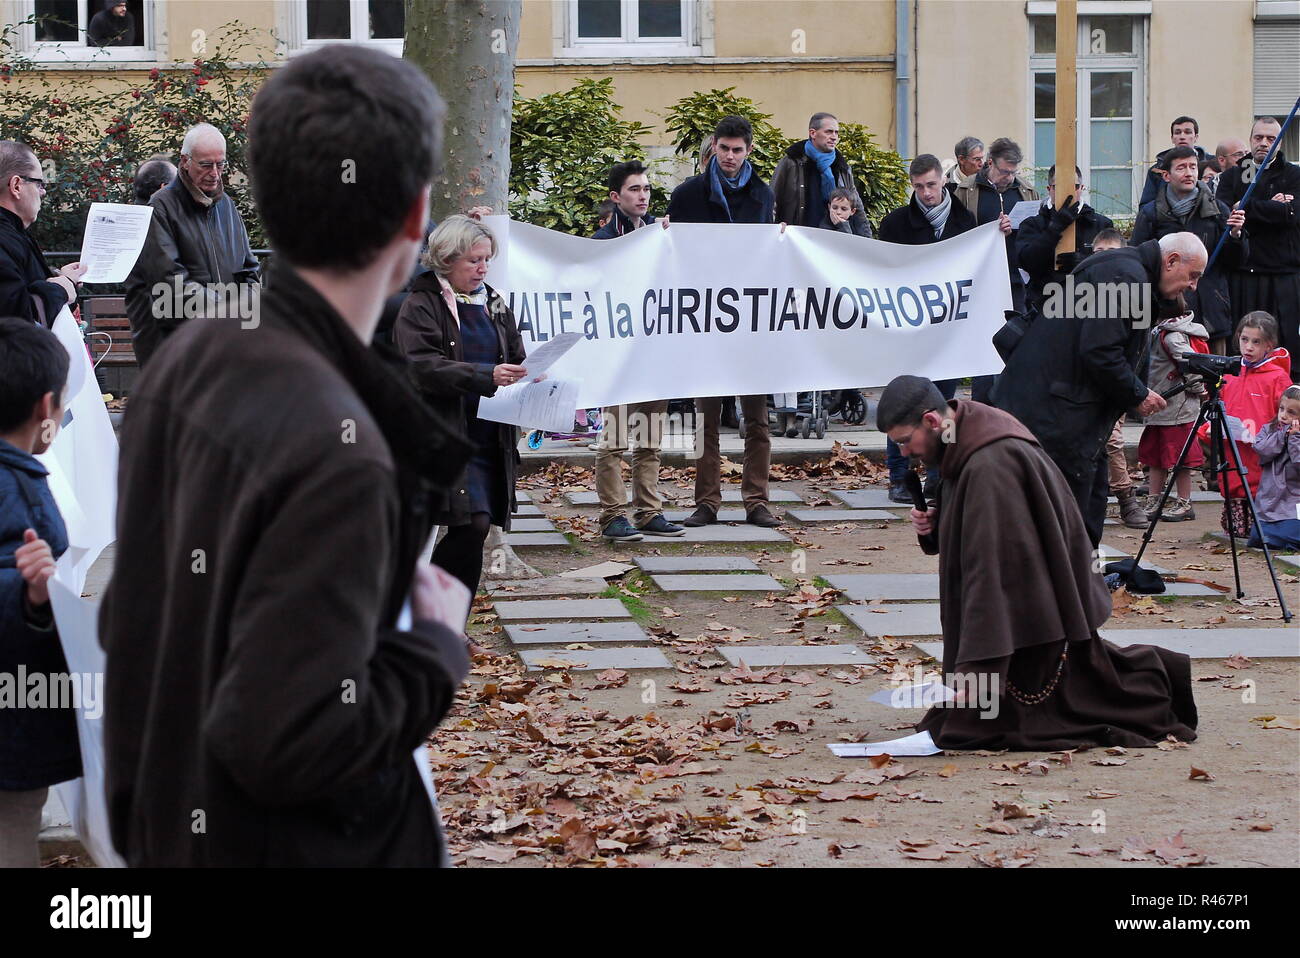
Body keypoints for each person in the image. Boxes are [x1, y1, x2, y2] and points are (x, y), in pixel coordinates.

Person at [100, 45, 474, 867]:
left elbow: (137, 626)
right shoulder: (339, 452)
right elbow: (287, 738)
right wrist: (435, 648)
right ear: (417, 218)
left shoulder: (186, 371)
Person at [879, 375, 1197, 751]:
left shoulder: (988, 464)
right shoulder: (964, 428)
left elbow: (987, 573)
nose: (903, 453)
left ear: (932, 421)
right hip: (1035, 593)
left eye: (904, 441)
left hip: (1032, 601)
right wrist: (937, 521)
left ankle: (1157, 678)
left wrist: (977, 675)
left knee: (1052, 705)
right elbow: (970, 521)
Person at [994, 232, 1207, 546]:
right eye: (1193, 276)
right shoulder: (1128, 278)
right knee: (1064, 513)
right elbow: (1100, 351)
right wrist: (1138, 393)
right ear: (1171, 261)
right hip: (1057, 412)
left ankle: (1079, 583)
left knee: (1087, 503)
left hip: (1059, 404)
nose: (1193, 286)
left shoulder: (1122, 268)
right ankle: (1062, 584)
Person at [394, 215, 533, 590]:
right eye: (474, 260)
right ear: (446, 258)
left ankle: (449, 625)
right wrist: (485, 375)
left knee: (478, 526)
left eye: (487, 259)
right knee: (465, 524)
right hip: (442, 435)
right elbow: (422, 366)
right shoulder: (421, 304)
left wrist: (533, 374)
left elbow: (516, 352)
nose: (483, 268)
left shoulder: (495, 302)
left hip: (491, 435)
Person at [667, 115, 780, 528]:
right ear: (713, 146)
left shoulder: (763, 195)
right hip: (705, 321)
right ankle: (707, 501)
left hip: (750, 322)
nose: (730, 156)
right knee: (706, 419)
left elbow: (767, 255)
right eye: (724, 148)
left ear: (748, 151)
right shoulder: (687, 195)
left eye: (738, 150)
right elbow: (674, 256)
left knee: (758, 419)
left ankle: (756, 499)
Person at [0, 317, 81, 869]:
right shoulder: (18, 491)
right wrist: (29, 598)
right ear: (46, 408)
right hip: (12, 727)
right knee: (13, 829)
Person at [590, 161, 683, 541]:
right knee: (612, 440)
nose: (642, 195)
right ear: (616, 197)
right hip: (617, 359)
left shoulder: (663, 237)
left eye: (645, 189)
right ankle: (612, 515)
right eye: (634, 189)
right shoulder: (601, 242)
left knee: (650, 441)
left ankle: (649, 511)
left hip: (653, 354)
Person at [877, 153, 975, 501]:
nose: (926, 193)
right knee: (899, 402)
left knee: (943, 402)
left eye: (931, 185)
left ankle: (940, 474)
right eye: (919, 187)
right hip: (908, 328)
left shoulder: (967, 222)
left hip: (948, 329)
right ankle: (899, 477)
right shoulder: (896, 224)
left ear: (943, 181)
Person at [124, 122, 261, 367]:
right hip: (177, 348)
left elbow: (250, 270)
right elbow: (171, 287)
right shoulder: (160, 207)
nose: (215, 173)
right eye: (206, 165)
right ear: (185, 161)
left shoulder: (227, 206)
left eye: (221, 164)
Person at [1131, 145, 1246, 355]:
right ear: (1166, 175)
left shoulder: (1217, 209)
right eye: (1181, 167)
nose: (1189, 173)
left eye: (1193, 167)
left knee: (1214, 379)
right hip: (1166, 313)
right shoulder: (1150, 214)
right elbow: (1139, 261)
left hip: (1211, 310)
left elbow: (1235, 262)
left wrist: (1235, 235)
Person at [955, 137, 1038, 403]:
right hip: (981, 281)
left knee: (1019, 342)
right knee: (985, 344)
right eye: (1004, 171)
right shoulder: (965, 190)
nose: (1008, 177)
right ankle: (982, 407)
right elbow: (958, 233)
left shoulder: (1025, 191)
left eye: (1013, 172)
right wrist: (991, 229)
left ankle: (1014, 405)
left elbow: (1035, 232)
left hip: (1017, 280)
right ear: (990, 163)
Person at [1217, 117, 1300, 373]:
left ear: (1280, 141)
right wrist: (1275, 208)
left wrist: (1249, 207)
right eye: (1258, 137)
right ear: (1250, 139)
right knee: (1247, 348)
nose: (1263, 143)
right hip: (1246, 274)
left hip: (1286, 274)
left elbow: (1293, 215)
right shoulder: (1235, 175)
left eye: (1270, 138)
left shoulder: (1294, 175)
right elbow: (1224, 214)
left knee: (1287, 349)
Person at [1201, 311, 1292, 537]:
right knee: (1233, 493)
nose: (1248, 347)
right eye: (1244, 339)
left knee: (1258, 495)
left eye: (1256, 342)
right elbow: (1220, 405)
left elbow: (1288, 414)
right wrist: (1210, 428)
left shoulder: (1277, 377)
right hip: (1233, 448)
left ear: (1269, 346)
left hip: (1262, 453)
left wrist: (1273, 438)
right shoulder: (1231, 374)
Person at [1089, 229, 1148, 528]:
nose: (1105, 260)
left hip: (1118, 383)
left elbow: (1139, 350)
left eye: (1111, 252)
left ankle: (1126, 497)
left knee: (1111, 439)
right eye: (1098, 254)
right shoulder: (1080, 292)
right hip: (1084, 386)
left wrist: (1135, 390)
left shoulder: (1133, 294)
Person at [0, 141, 85, 326]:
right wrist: (58, 289)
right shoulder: (6, 236)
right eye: (39, 183)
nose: (43, 192)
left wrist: (63, 280)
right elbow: (16, 316)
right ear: (16, 186)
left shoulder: (13, 232)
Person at [1138, 308, 1209, 521]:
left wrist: (1200, 390)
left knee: (1181, 457)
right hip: (1159, 406)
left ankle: (1184, 501)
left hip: (1177, 408)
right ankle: (1154, 498)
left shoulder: (1173, 336)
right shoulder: (1158, 331)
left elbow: (1191, 365)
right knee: (1156, 456)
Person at [1016, 164, 1114, 314]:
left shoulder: (1101, 224)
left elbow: (1114, 267)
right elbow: (1028, 262)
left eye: (1073, 186)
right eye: (1059, 186)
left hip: (1089, 307)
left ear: (1081, 188)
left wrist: (1085, 262)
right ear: (1049, 189)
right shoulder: (1032, 224)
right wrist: (1054, 229)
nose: (1068, 192)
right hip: (1045, 308)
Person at [771, 112, 873, 236]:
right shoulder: (791, 161)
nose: (834, 137)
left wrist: (867, 238)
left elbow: (856, 205)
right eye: (829, 132)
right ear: (813, 133)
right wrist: (771, 231)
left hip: (832, 240)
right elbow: (772, 199)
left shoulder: (841, 166)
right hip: (797, 238)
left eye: (836, 132)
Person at [1248, 385, 1300, 550]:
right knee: (1258, 537)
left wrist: (1294, 439)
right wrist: (1283, 436)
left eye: (1291, 412)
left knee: (1291, 534)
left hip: (1294, 501)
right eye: (1282, 409)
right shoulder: (1269, 429)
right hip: (1269, 498)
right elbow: (1261, 448)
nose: (1284, 415)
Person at [1138, 116, 1208, 207]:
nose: (1182, 137)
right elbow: (1145, 207)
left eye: (1187, 132)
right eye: (1177, 133)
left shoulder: (1210, 165)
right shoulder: (1157, 170)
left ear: (1196, 137)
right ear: (1172, 138)